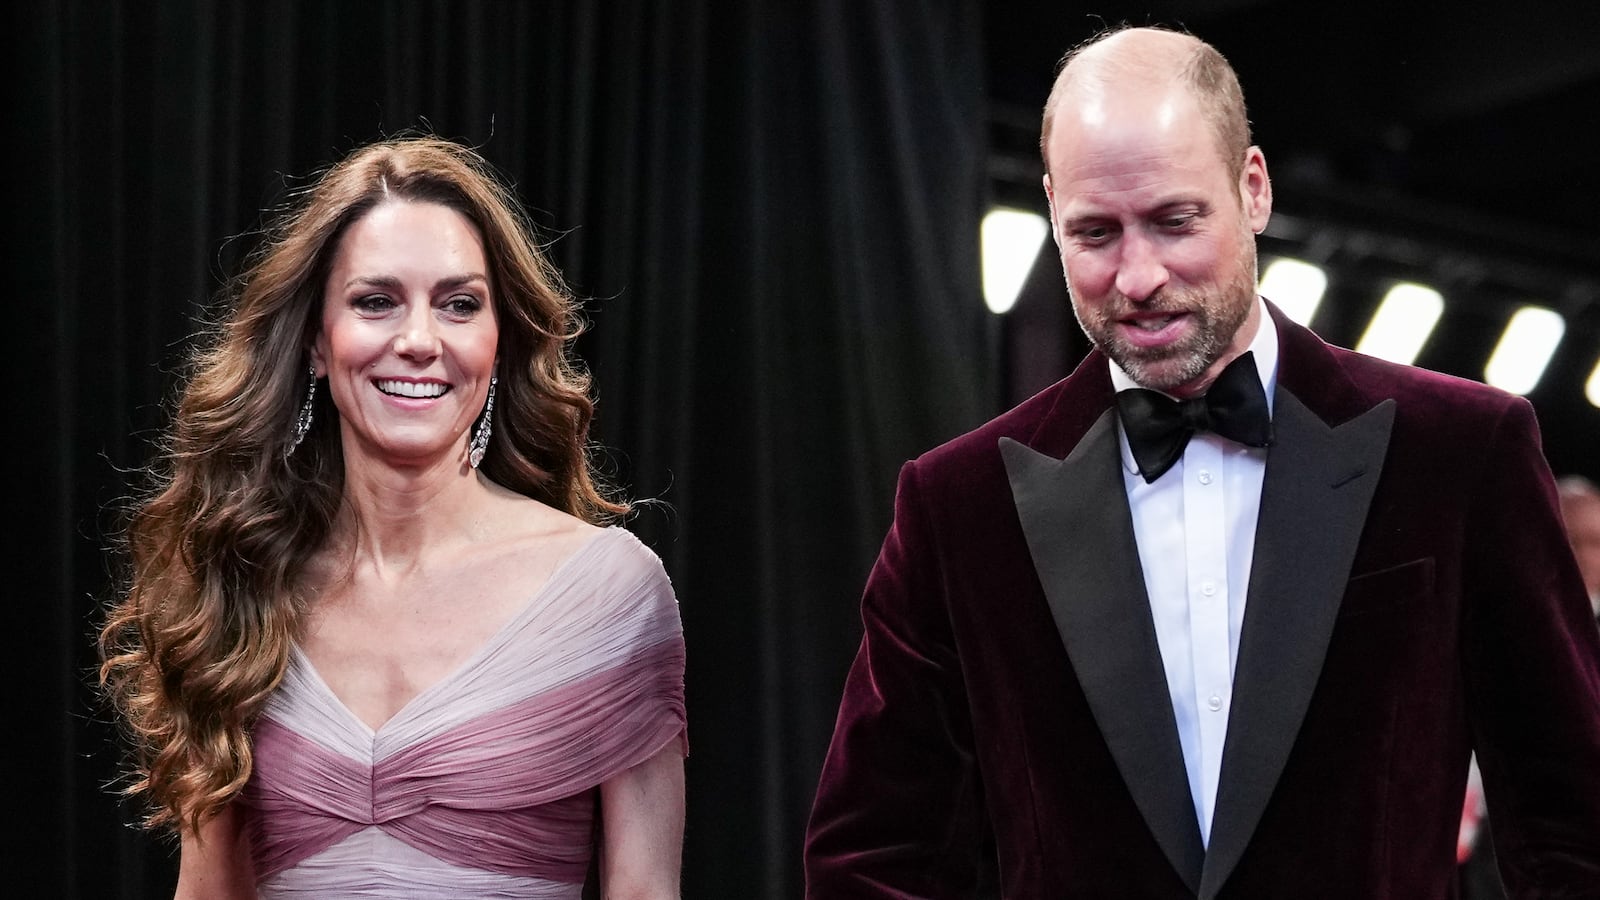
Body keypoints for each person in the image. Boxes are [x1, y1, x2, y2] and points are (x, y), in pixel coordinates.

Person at [804, 25, 1600, 899]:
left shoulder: (1460, 449)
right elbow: (874, 857)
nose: (1137, 276)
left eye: (1174, 221)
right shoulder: (959, 505)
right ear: (1052, 211)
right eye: (1095, 233)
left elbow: (1575, 819)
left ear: (1253, 188)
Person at [99, 137, 687, 899]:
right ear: (316, 341)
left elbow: (645, 890)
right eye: (375, 301)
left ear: (500, 342)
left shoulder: (608, 590)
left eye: (459, 304)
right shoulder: (243, 575)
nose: (417, 341)